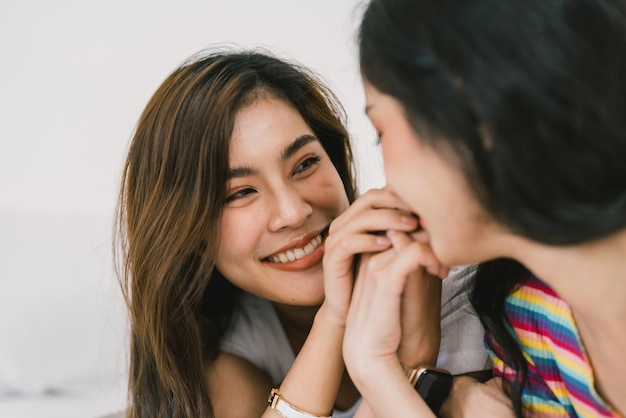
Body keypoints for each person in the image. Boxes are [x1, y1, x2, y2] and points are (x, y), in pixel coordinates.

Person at [115, 48, 489, 418]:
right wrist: (351, 326)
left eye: (306, 164)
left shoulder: (448, 279)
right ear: (189, 233)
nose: (293, 213)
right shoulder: (224, 344)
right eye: (241, 193)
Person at [342, 0, 626, 417]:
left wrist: (376, 371)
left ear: (473, 111)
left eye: (381, 132)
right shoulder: (530, 320)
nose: (388, 186)